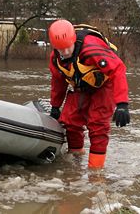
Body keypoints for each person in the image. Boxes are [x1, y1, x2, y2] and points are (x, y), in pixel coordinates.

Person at [48, 19, 130, 169]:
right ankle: (76, 161)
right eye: (61, 49)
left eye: (68, 48)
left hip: (104, 86)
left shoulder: (91, 48)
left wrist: (122, 104)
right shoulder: (56, 59)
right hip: (82, 86)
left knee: (97, 125)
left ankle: (95, 172)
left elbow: (118, 69)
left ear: (73, 40)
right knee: (70, 121)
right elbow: (58, 82)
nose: (65, 52)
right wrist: (55, 106)